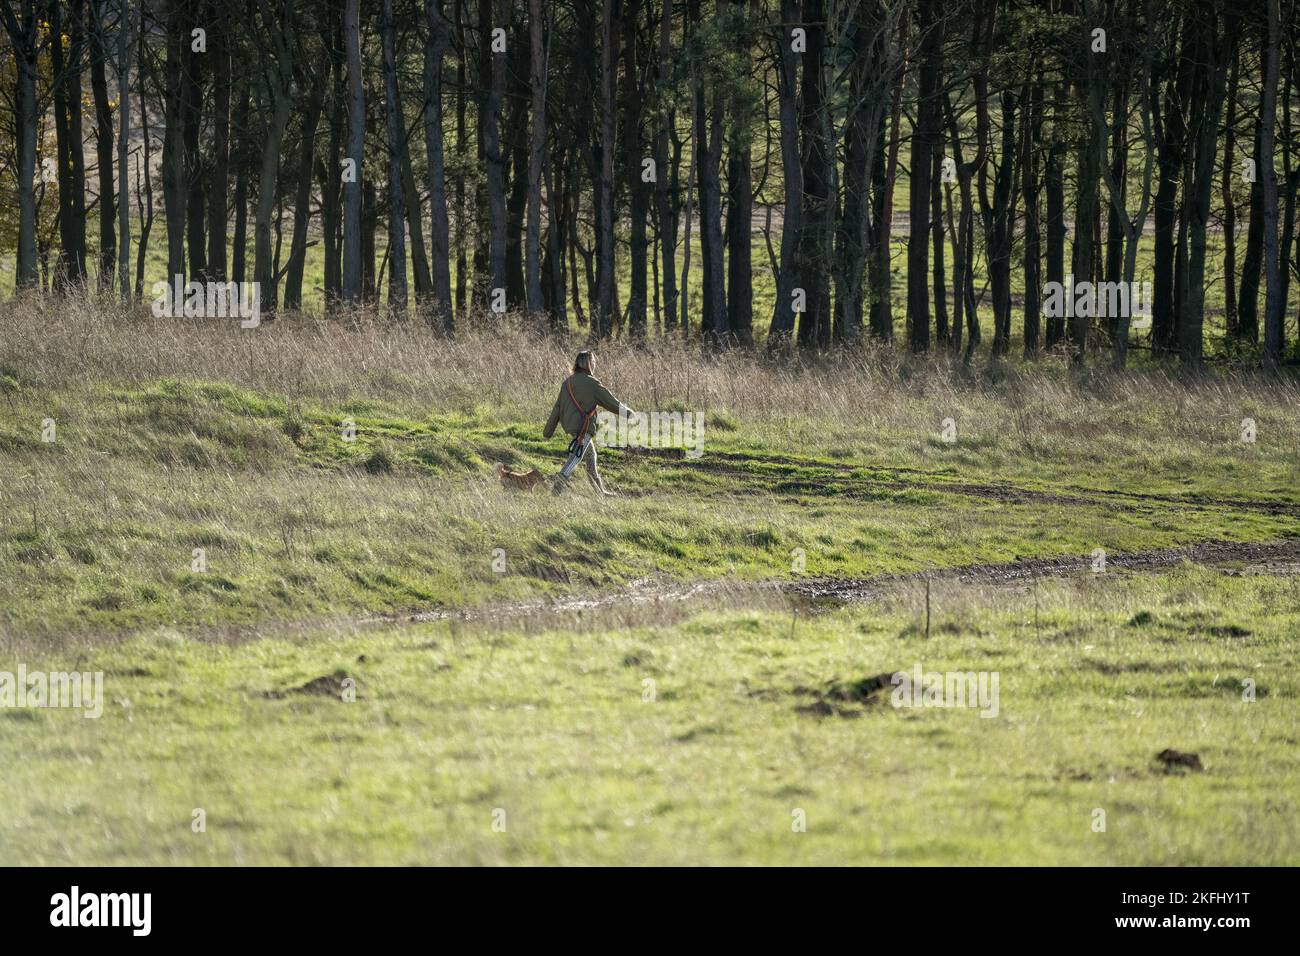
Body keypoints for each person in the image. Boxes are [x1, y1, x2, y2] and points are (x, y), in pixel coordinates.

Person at [543, 350, 636, 496]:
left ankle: (600, 492)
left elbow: (557, 408)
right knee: (576, 458)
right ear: (588, 364)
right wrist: (630, 414)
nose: (595, 363)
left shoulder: (567, 383)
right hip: (583, 428)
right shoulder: (592, 383)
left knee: (591, 457)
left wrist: (548, 432)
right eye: (593, 361)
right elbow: (611, 402)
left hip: (572, 426)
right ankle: (557, 488)